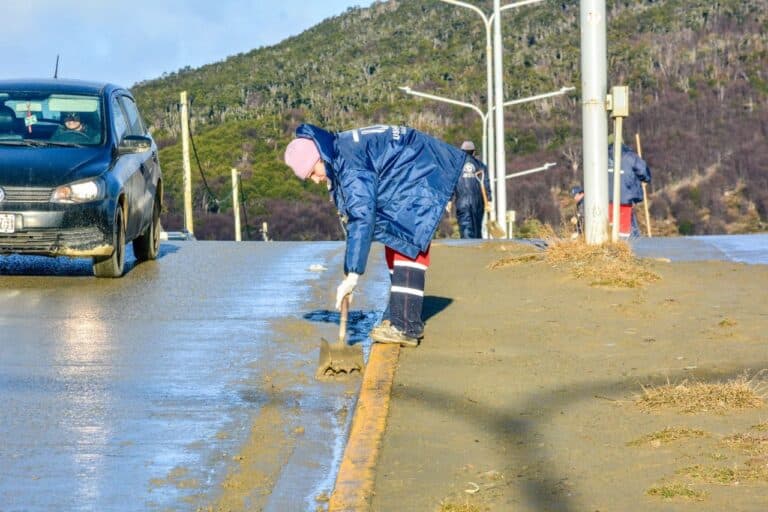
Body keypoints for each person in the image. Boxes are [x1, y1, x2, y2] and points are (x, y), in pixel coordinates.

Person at [284, 123, 467, 347]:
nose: (314, 180)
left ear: (319, 158)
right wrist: (349, 274)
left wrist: (353, 276)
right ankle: (396, 315)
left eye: (312, 172)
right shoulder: (340, 151)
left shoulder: (350, 166)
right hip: (415, 171)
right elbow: (354, 218)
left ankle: (405, 327)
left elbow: (362, 218)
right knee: (395, 239)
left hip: (422, 173)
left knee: (406, 242)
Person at [608, 135, 651, 238]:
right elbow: (644, 173)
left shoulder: (601, 155)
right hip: (625, 198)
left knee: (608, 229)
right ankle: (623, 250)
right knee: (623, 232)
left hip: (605, 199)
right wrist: (645, 179)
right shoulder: (631, 156)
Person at [453, 140, 491, 239]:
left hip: (462, 201)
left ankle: (467, 249)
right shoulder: (481, 166)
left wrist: (449, 200)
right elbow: (486, 183)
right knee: (477, 227)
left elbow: (451, 184)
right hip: (478, 202)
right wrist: (489, 199)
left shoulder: (455, 166)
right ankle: (477, 250)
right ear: (474, 152)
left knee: (465, 226)